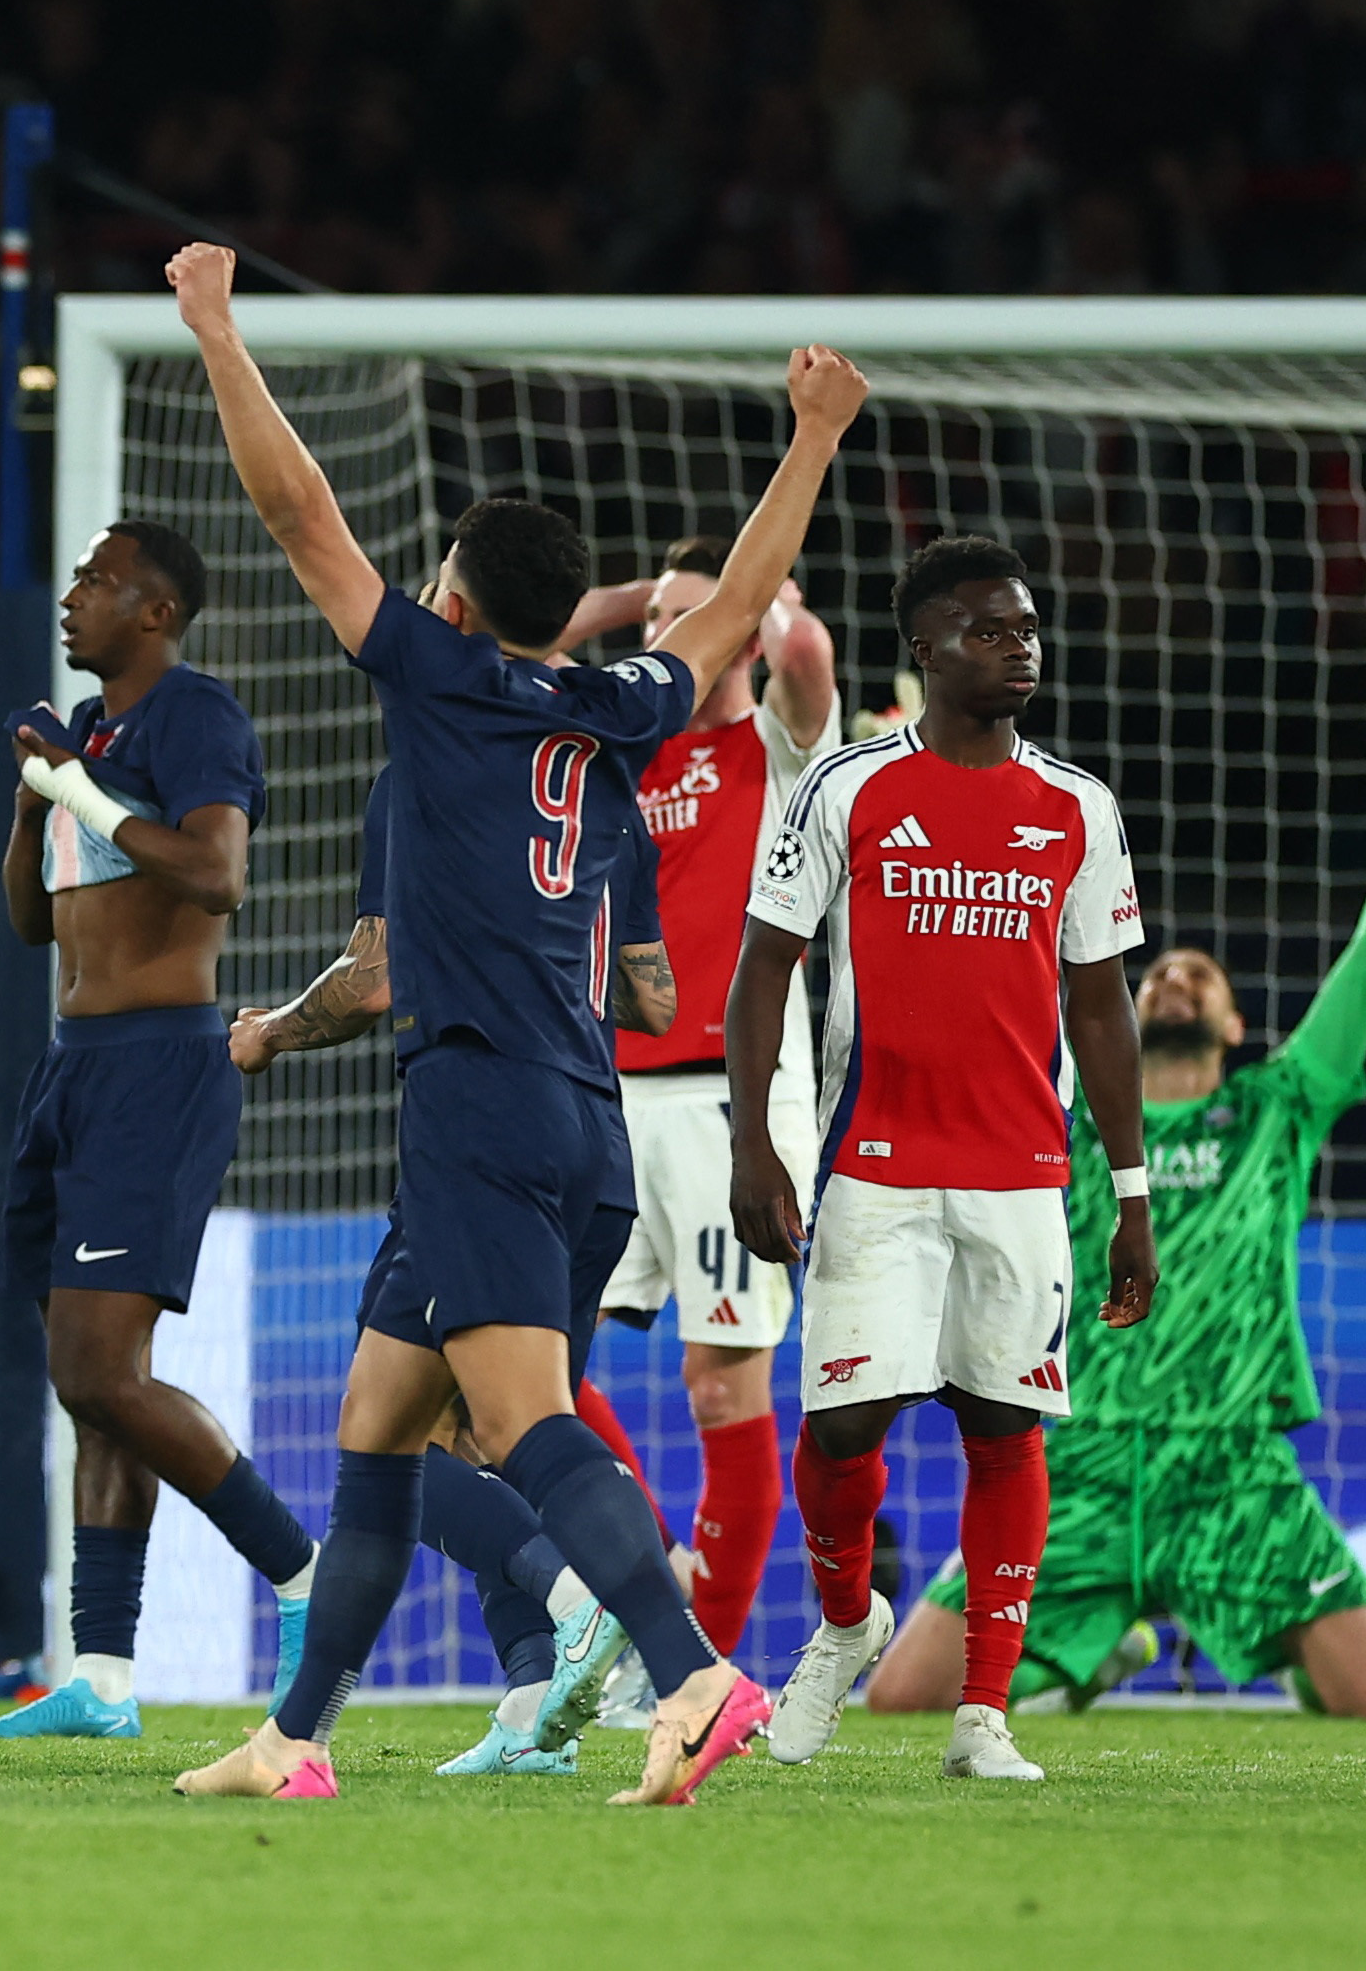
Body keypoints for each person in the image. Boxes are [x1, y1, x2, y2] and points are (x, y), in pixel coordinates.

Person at [163, 242, 862, 1806]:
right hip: (578, 1111)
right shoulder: (618, 709)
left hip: (477, 1102)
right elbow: (735, 606)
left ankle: (693, 1675)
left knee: (518, 1422)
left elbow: (299, 513)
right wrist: (812, 435)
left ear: (457, 601)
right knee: (378, 1430)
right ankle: (294, 1736)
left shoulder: (442, 680)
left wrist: (215, 330)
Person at [858, 678, 1366, 1725]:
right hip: (1078, 1461)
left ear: (1237, 1026)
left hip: (1228, 1468)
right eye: (1156, 973)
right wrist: (918, 790)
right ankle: (1085, 1660)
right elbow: (957, 955)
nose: (1175, 980)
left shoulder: (1277, 1110)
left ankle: (1222, 1649)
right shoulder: (1061, 1115)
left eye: (1201, 976)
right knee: (904, 1702)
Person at [734, 533, 1156, 1786]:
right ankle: (843, 1625)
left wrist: (1129, 1194)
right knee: (844, 1423)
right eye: (988, 629)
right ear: (923, 647)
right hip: (871, 1162)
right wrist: (754, 1142)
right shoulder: (847, 787)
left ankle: (983, 1714)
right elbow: (763, 968)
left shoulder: (1077, 807)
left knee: (1003, 1422)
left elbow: (1101, 1008)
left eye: (1026, 629)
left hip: (1022, 1173)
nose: (1017, 648)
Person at [239, 762, 677, 1781]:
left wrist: (267, 1033)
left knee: (396, 1435)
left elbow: (373, 980)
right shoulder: (606, 793)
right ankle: (531, 1703)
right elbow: (652, 998)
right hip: (598, 1147)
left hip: (482, 1139)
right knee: (493, 1432)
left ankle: (580, 1601)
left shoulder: (433, 776)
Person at [0, 516, 314, 1743]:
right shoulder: (91, 732)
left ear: (156, 611)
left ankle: (304, 1575)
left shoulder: (193, 715)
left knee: (101, 1374)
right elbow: (29, 922)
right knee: (92, 1390)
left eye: (98, 581)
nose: (72, 595)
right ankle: (103, 1678)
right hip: (72, 1067)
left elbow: (216, 874)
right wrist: (35, 801)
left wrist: (78, 790)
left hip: (159, 1066)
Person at [554, 536, 842, 1661]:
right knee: (530, 1370)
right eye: (653, 625)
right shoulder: (612, 748)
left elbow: (806, 655)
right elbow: (519, 633)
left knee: (720, 1392)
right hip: (605, 1094)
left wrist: (757, 598)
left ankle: (699, 1677)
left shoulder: (777, 747)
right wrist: (645, 600)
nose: (664, 636)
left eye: (694, 617)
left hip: (736, 1106)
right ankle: (656, 1575)